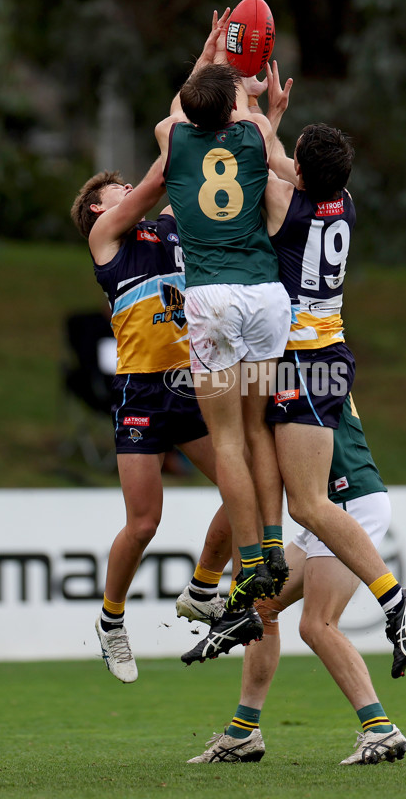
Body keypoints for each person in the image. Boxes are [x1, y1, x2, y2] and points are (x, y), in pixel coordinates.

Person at [178, 62, 406, 678]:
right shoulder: (342, 200)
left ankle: (395, 600)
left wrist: (242, 96)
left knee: (310, 505)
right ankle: (239, 591)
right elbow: (281, 162)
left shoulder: (282, 203)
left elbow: (244, 160)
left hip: (305, 361)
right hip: (323, 355)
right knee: (258, 449)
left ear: (296, 164)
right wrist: (274, 122)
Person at [67, 13, 265, 684]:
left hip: (190, 381)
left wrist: (209, 60)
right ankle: (112, 618)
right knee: (145, 521)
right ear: (97, 209)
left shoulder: (170, 227)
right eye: (110, 190)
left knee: (247, 491)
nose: (125, 188)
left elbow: (185, 160)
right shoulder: (108, 240)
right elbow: (166, 163)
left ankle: (206, 583)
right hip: (141, 389)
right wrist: (205, 76)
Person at [183, 394, 406, 765]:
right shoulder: (302, 363)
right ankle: (243, 734)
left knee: (317, 624)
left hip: (344, 502)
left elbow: (255, 458)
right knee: (262, 606)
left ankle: (381, 729)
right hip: (329, 506)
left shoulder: (292, 370)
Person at [154, 35, 292, 613]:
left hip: (212, 300)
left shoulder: (174, 138)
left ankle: (251, 557)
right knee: (260, 430)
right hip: (265, 296)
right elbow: (241, 116)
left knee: (228, 438)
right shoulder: (255, 134)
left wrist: (212, 53)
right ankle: (276, 541)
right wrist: (254, 89)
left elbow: (178, 109)